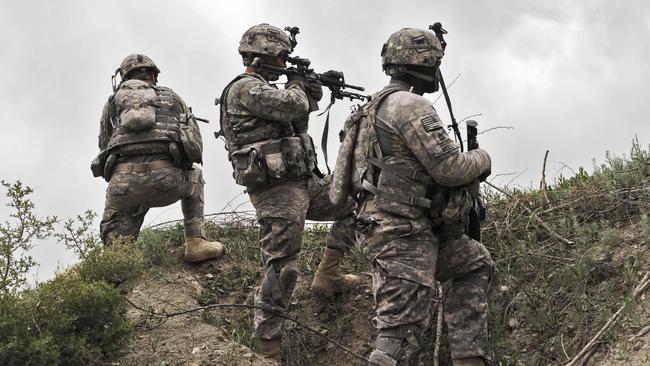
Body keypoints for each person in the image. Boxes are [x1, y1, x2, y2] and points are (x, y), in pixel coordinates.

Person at [331, 28, 493, 366]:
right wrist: (483, 159)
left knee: (473, 262)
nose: (438, 70)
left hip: (400, 228)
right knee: (399, 337)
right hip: (401, 233)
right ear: (425, 61)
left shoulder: (368, 108)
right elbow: (450, 168)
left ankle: (468, 358)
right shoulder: (410, 105)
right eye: (436, 61)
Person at [218, 23, 359, 360]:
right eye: (282, 57)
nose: (285, 63)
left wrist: (312, 91)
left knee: (357, 200)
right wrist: (301, 87)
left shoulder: (267, 88)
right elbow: (290, 104)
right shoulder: (245, 88)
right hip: (276, 190)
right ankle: (268, 344)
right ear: (265, 54)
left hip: (303, 181)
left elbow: (296, 123)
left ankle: (328, 274)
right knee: (283, 267)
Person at [95, 54, 223, 263]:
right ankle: (195, 242)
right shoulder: (173, 98)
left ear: (124, 77)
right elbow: (194, 148)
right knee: (195, 175)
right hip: (167, 181)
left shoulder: (112, 104)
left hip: (122, 187)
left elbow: (104, 145)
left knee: (116, 254)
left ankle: (117, 263)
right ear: (153, 74)